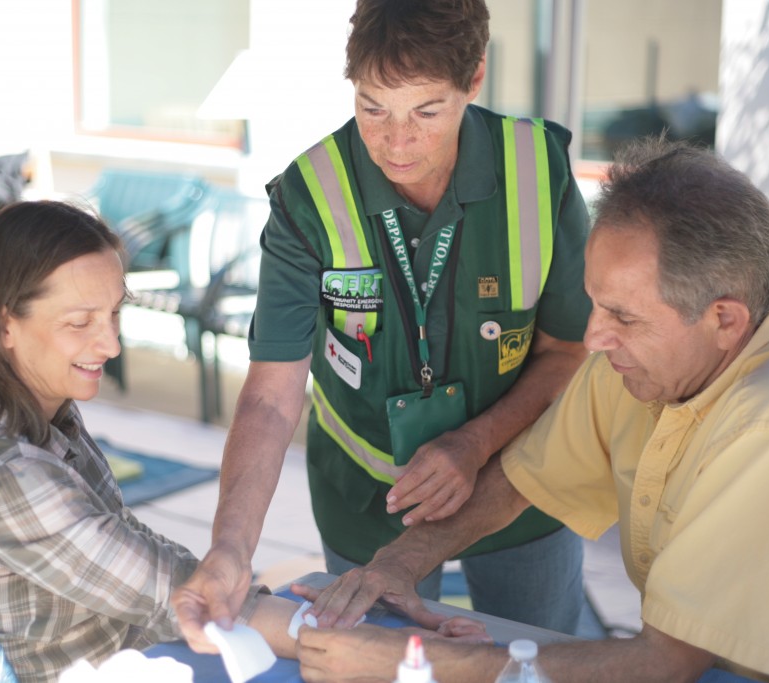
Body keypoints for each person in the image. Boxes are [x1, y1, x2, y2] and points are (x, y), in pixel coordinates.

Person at [294, 138, 769, 683]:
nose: (594, 337)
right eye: (594, 302)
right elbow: (518, 479)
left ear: (724, 320)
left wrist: (410, 663)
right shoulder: (641, 365)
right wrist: (398, 564)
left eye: (623, 316)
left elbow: (665, 663)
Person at [172, 0, 593, 648]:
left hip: (519, 485)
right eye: (373, 107)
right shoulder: (308, 195)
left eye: (427, 111)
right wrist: (231, 547)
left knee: (534, 659)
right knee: (375, 663)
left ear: (474, 79)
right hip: (368, 502)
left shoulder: (539, 170)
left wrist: (475, 443)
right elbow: (270, 397)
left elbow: (568, 350)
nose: (397, 141)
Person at [0, 200, 303, 682]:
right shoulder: (10, 476)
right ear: (5, 323)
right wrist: (345, 640)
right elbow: (173, 596)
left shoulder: (25, 409)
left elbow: (128, 541)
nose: (111, 344)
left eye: (113, 313)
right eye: (79, 322)